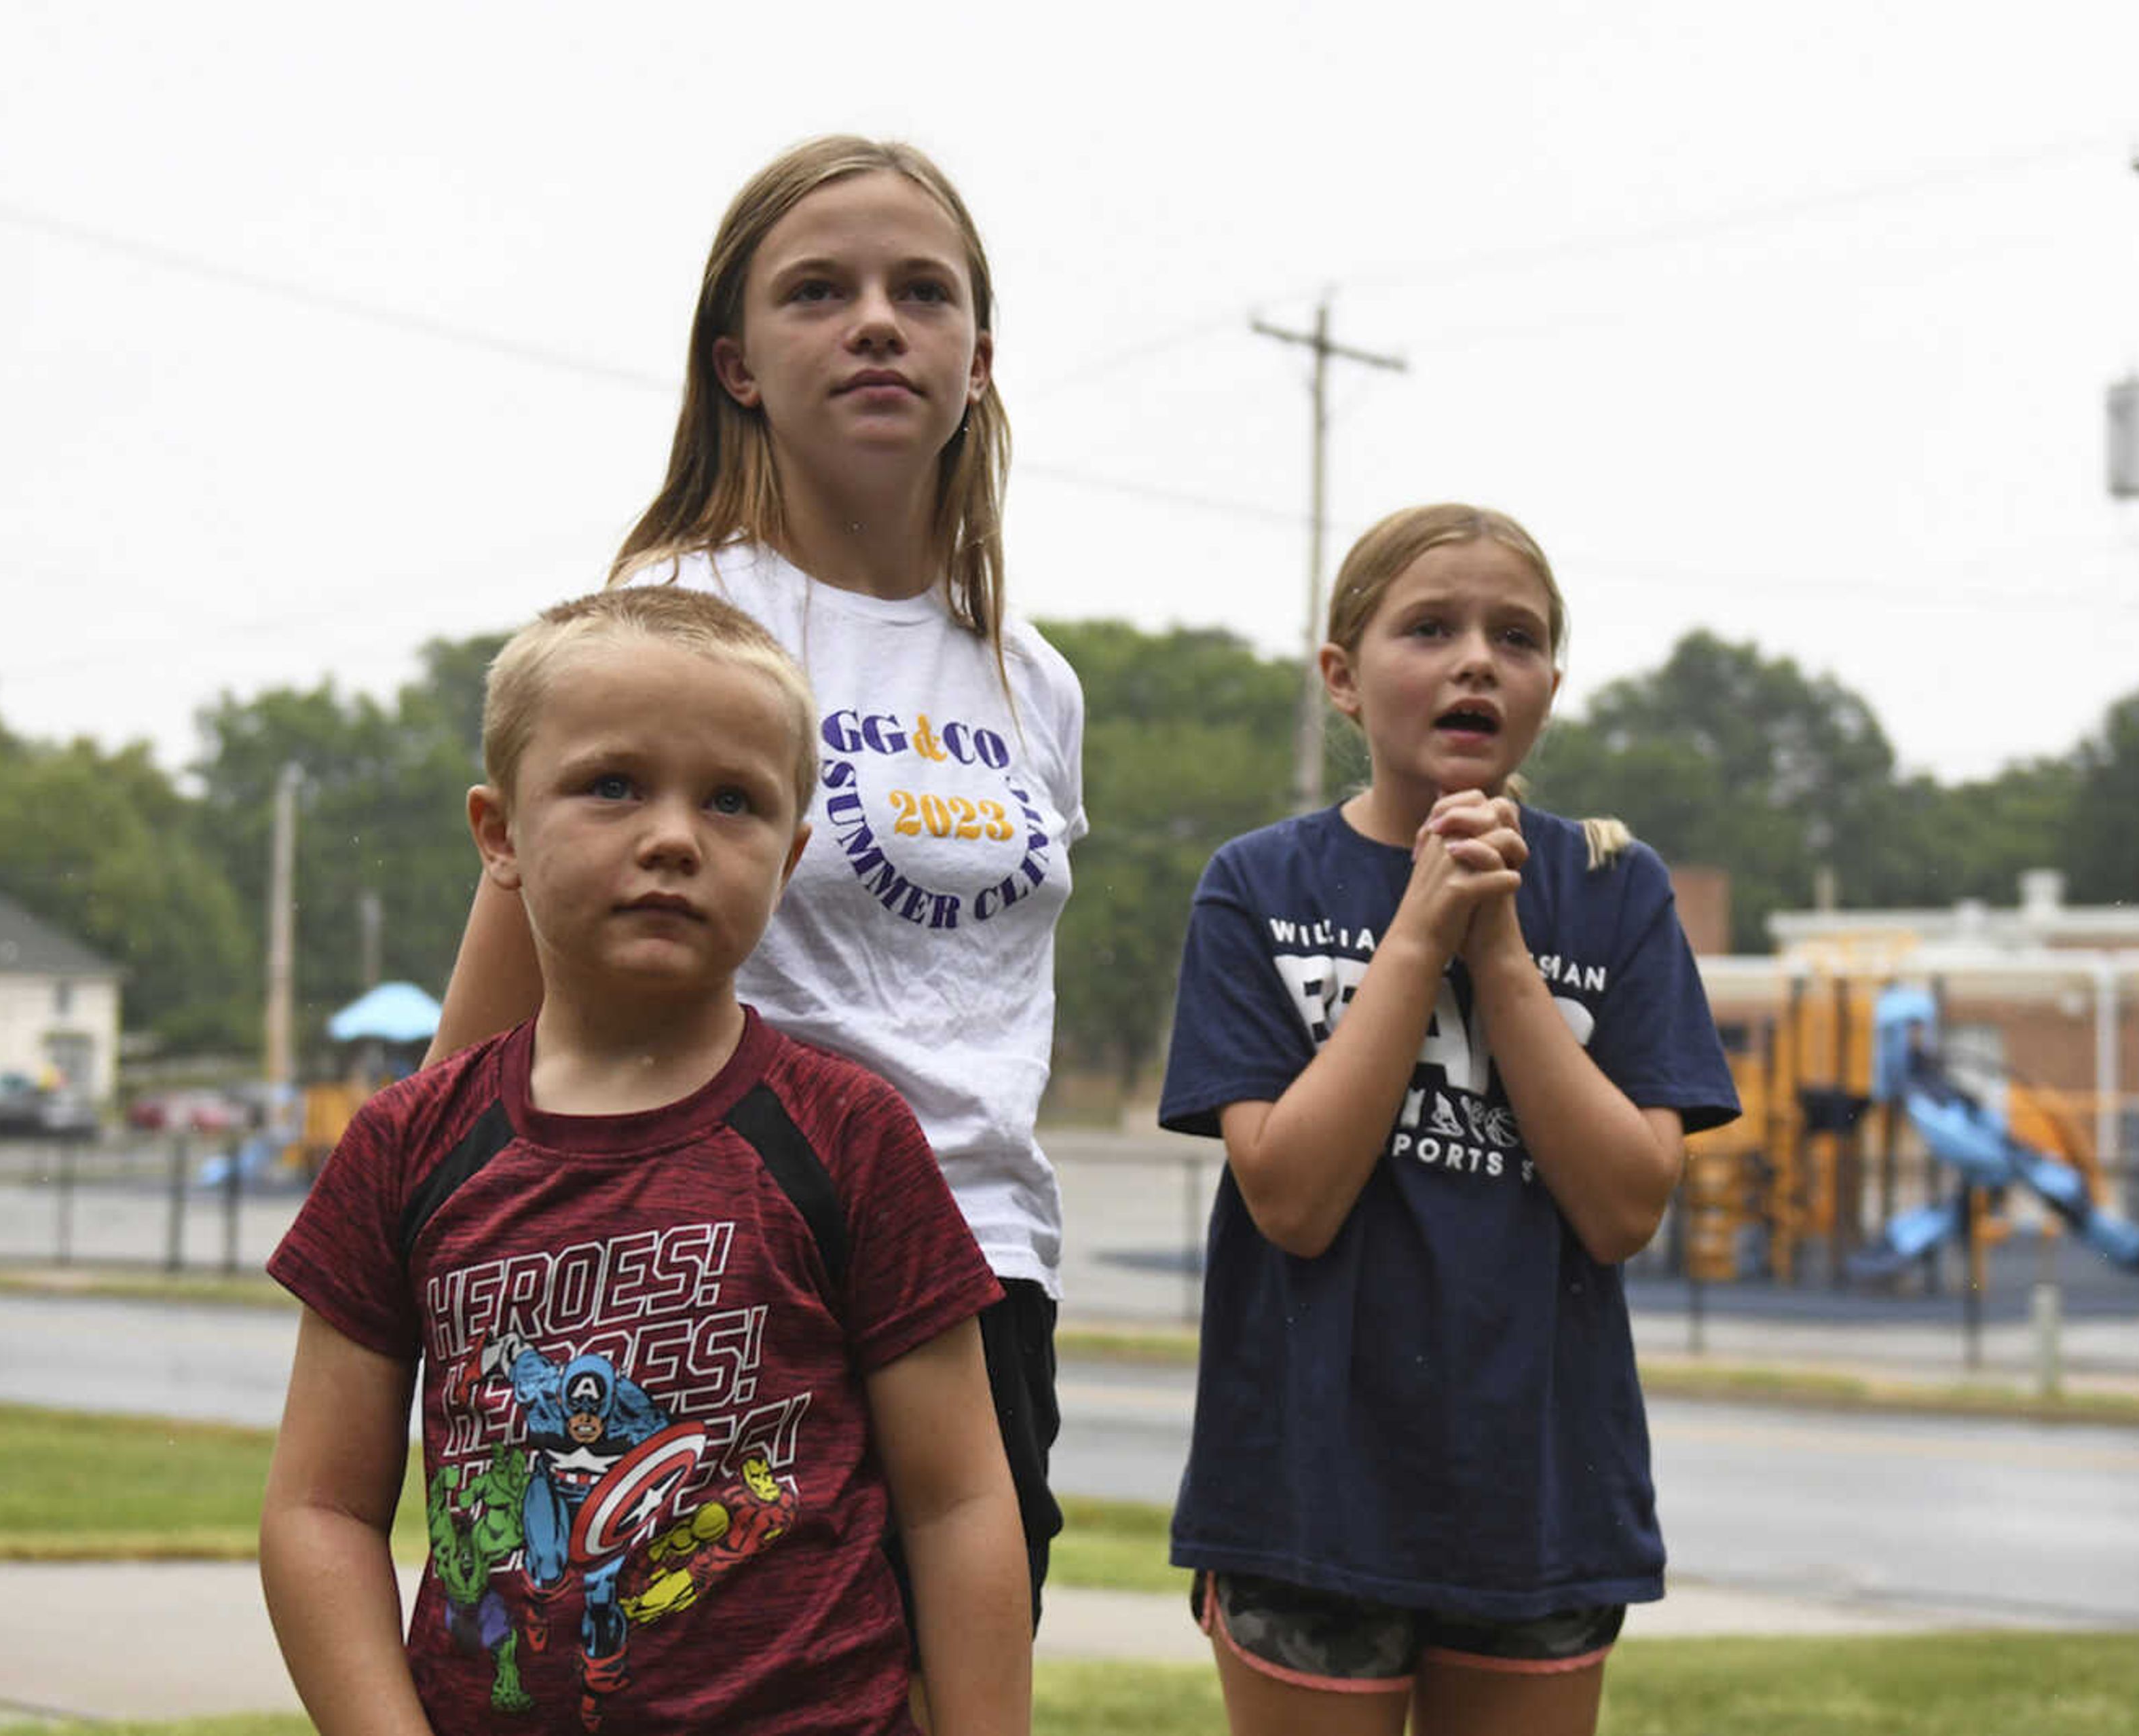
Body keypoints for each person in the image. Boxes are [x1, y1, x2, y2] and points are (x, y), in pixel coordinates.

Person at [426, 135, 1085, 1634]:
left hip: (983, 1271)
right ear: (736, 362)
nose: (876, 321)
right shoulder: (679, 622)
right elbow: (488, 1025)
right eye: (818, 291)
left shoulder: (1033, 682)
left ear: (977, 360)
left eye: (924, 292)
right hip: (717, 1258)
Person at [261, 587, 1030, 1736]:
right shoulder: (406, 1146)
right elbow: (319, 1507)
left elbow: (961, 1500)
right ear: (499, 833)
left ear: (791, 855)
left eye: (733, 801)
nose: (674, 835)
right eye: (612, 784)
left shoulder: (851, 1136)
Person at [1157, 504, 1740, 1736]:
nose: (1477, 658)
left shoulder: (1610, 888)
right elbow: (1294, 1201)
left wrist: (1501, 946)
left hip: (1538, 1493)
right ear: (1344, 680)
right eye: (1429, 627)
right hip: (1304, 1490)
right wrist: (1419, 933)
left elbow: (1626, 1204)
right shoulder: (1258, 885)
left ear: (1547, 689)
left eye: (1515, 637)